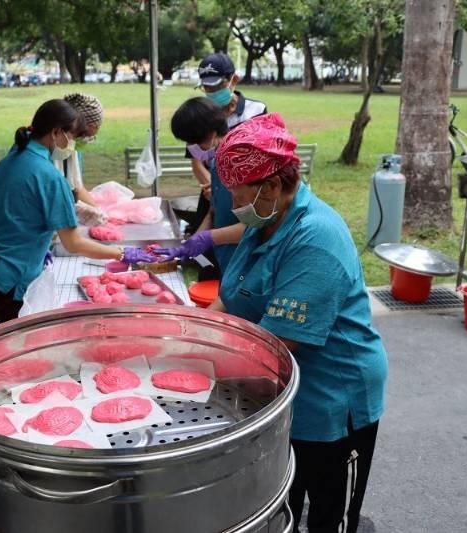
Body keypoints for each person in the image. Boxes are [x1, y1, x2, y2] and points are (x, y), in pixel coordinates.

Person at [210, 113, 388, 533]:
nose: (234, 205)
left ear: (270, 187)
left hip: (332, 396)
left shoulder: (315, 239)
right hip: (280, 394)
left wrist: (196, 361)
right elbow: (231, 293)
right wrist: (195, 329)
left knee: (330, 511)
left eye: (237, 195)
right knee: (284, 494)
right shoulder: (270, 220)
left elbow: (278, 345)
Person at [0, 99, 156, 322]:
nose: (73, 145)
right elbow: (73, 243)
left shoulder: (8, 161)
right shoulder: (50, 176)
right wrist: (123, 253)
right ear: (57, 133)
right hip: (8, 279)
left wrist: (29, 226)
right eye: (73, 138)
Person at [187, 53, 266, 269]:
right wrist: (213, 187)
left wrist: (207, 237)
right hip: (216, 195)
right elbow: (196, 160)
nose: (211, 93)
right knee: (213, 267)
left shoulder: (256, 111)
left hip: (248, 198)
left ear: (234, 79)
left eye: (216, 86)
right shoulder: (200, 115)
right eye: (206, 88)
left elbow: (253, 226)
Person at [156, 97, 245, 276]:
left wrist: (209, 237)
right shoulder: (216, 162)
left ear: (211, 134)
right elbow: (214, 211)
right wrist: (193, 240)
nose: (190, 148)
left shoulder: (241, 164)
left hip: (244, 257)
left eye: (192, 142)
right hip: (225, 256)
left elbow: (254, 227)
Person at [55, 93, 105, 225]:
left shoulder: (69, 148)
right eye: (83, 135)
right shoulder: (41, 159)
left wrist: (98, 211)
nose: (84, 140)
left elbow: (76, 187)